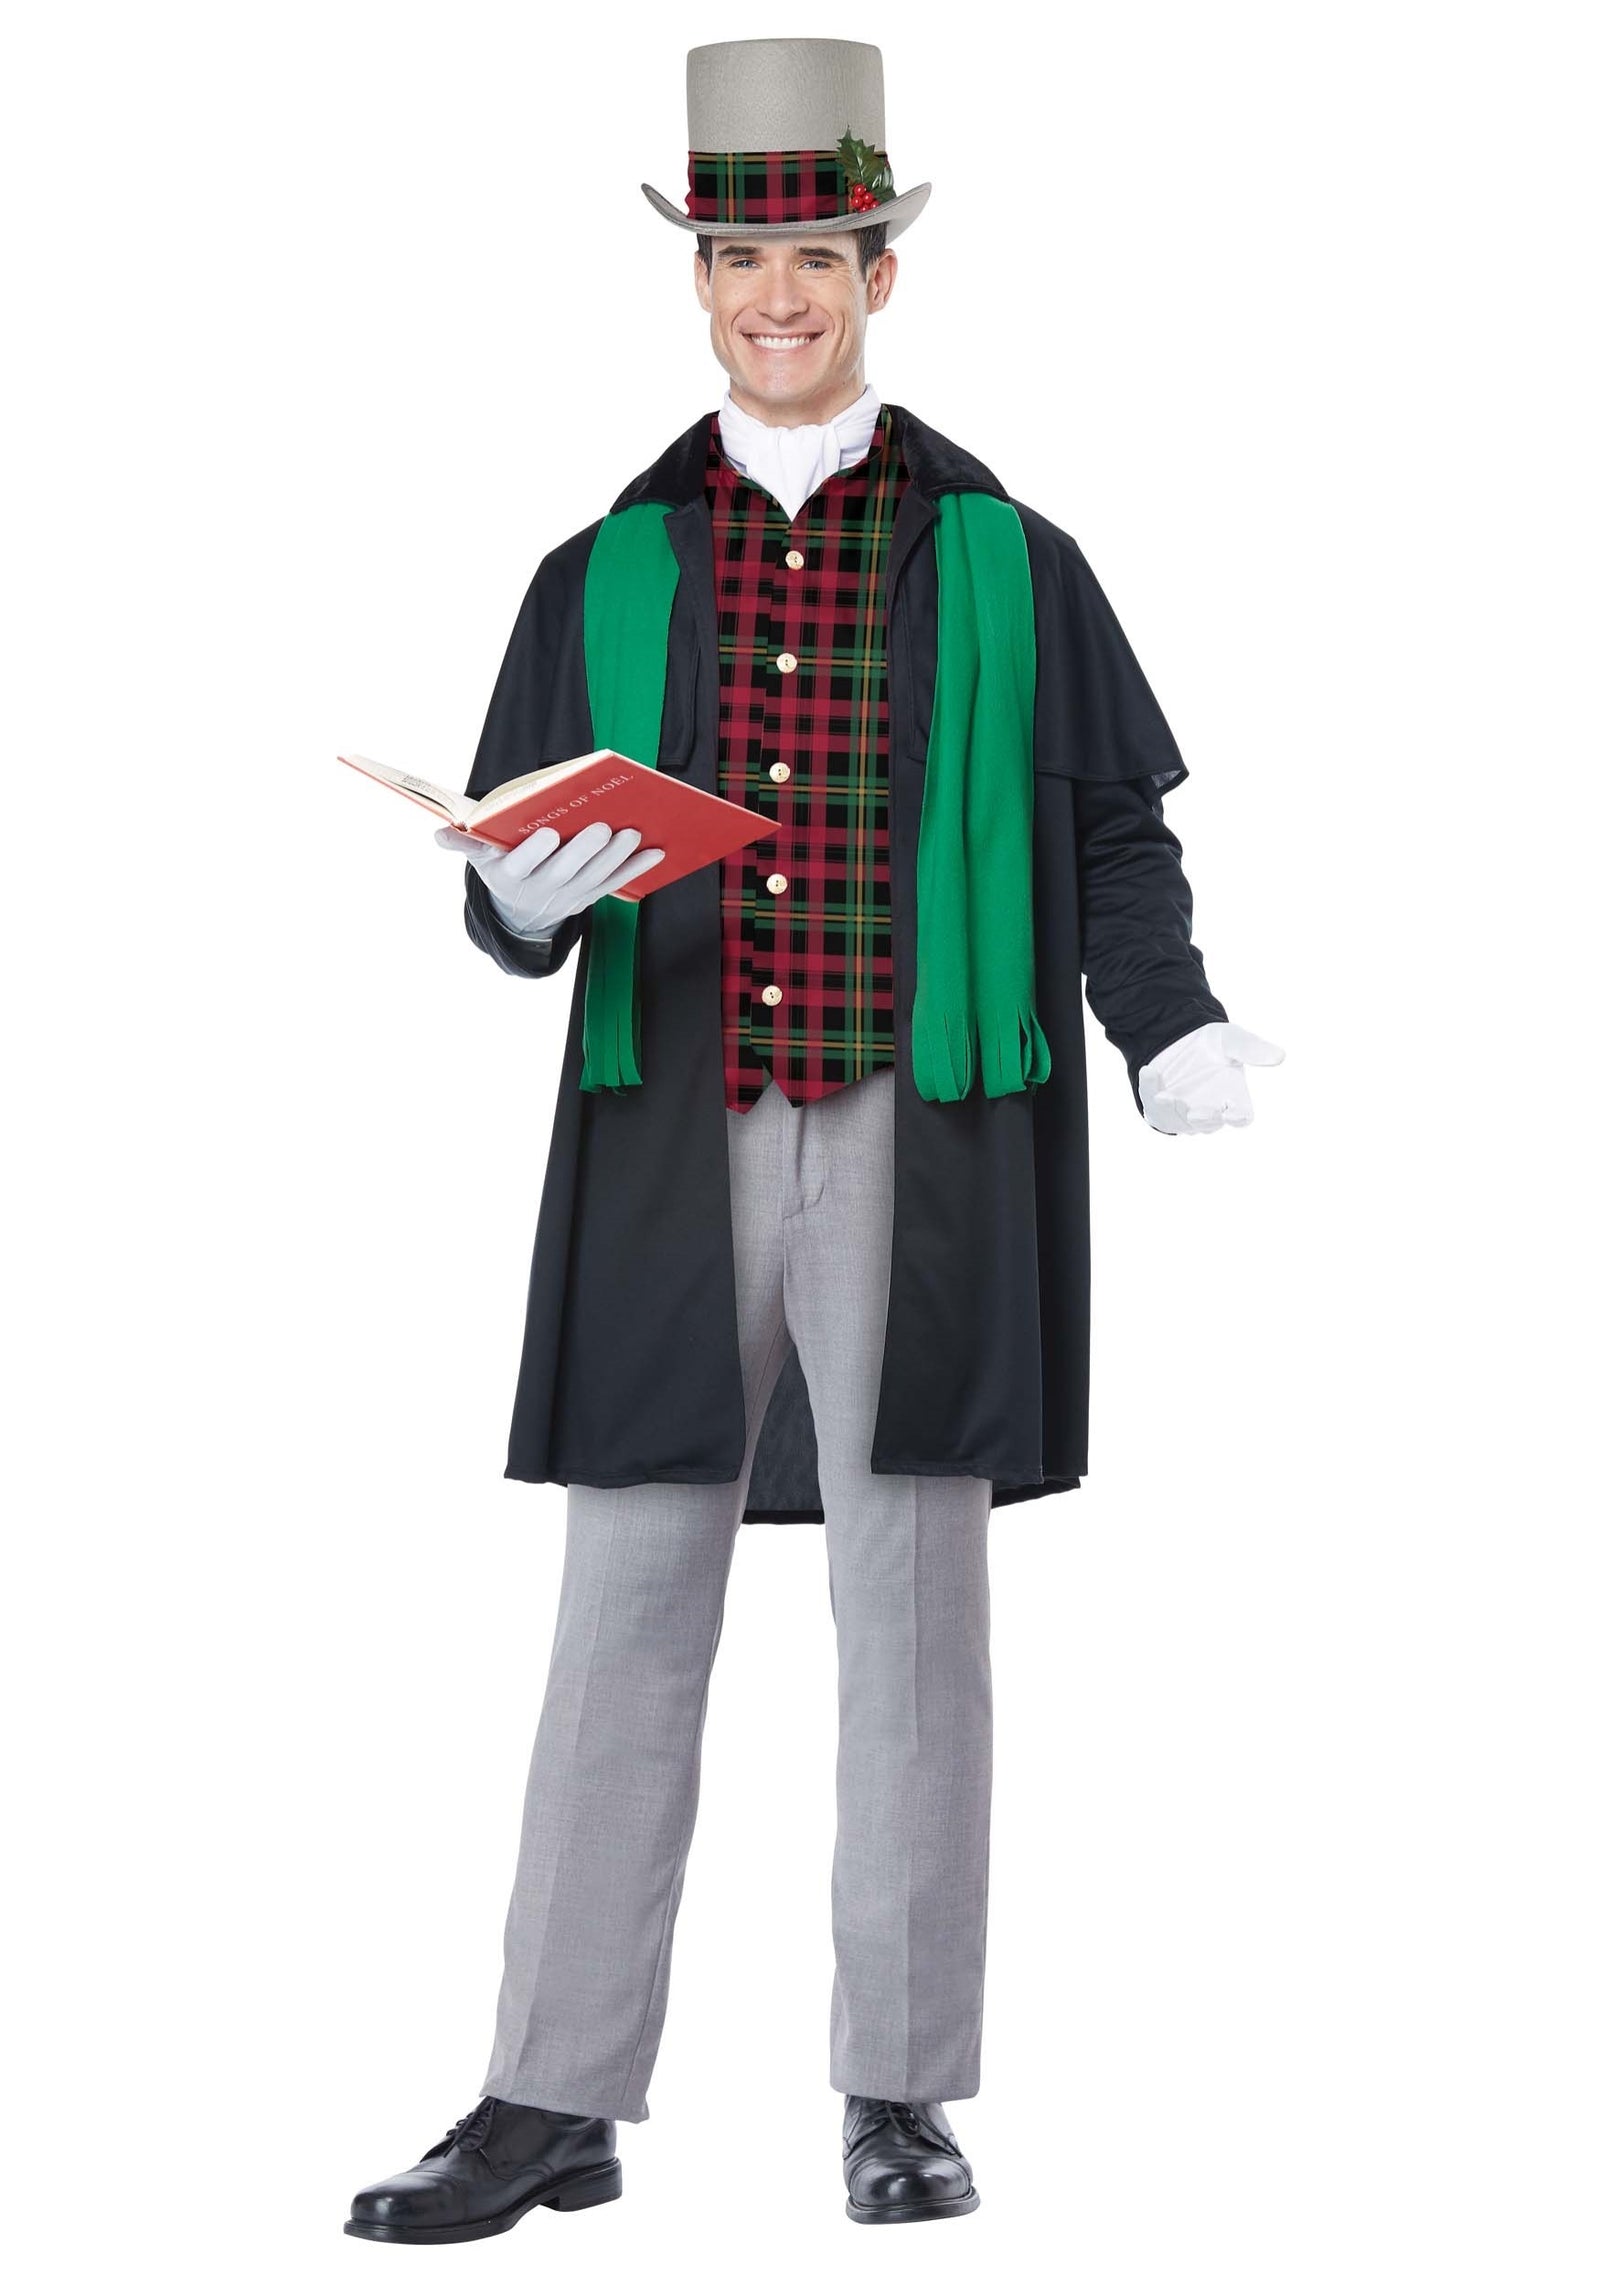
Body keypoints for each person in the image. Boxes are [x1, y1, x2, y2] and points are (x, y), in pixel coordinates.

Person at [344, 35, 1283, 2243]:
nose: (778, 295)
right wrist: (516, 903)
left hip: (923, 1130)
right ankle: (550, 2093)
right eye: (742, 260)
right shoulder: (599, 566)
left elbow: (1111, 833)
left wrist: (1166, 1024)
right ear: (699, 281)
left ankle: (899, 2087)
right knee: (624, 1605)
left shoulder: (1010, 556)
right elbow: (501, 874)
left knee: (912, 1608)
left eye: (819, 258)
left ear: (880, 272)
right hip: (667, 1127)